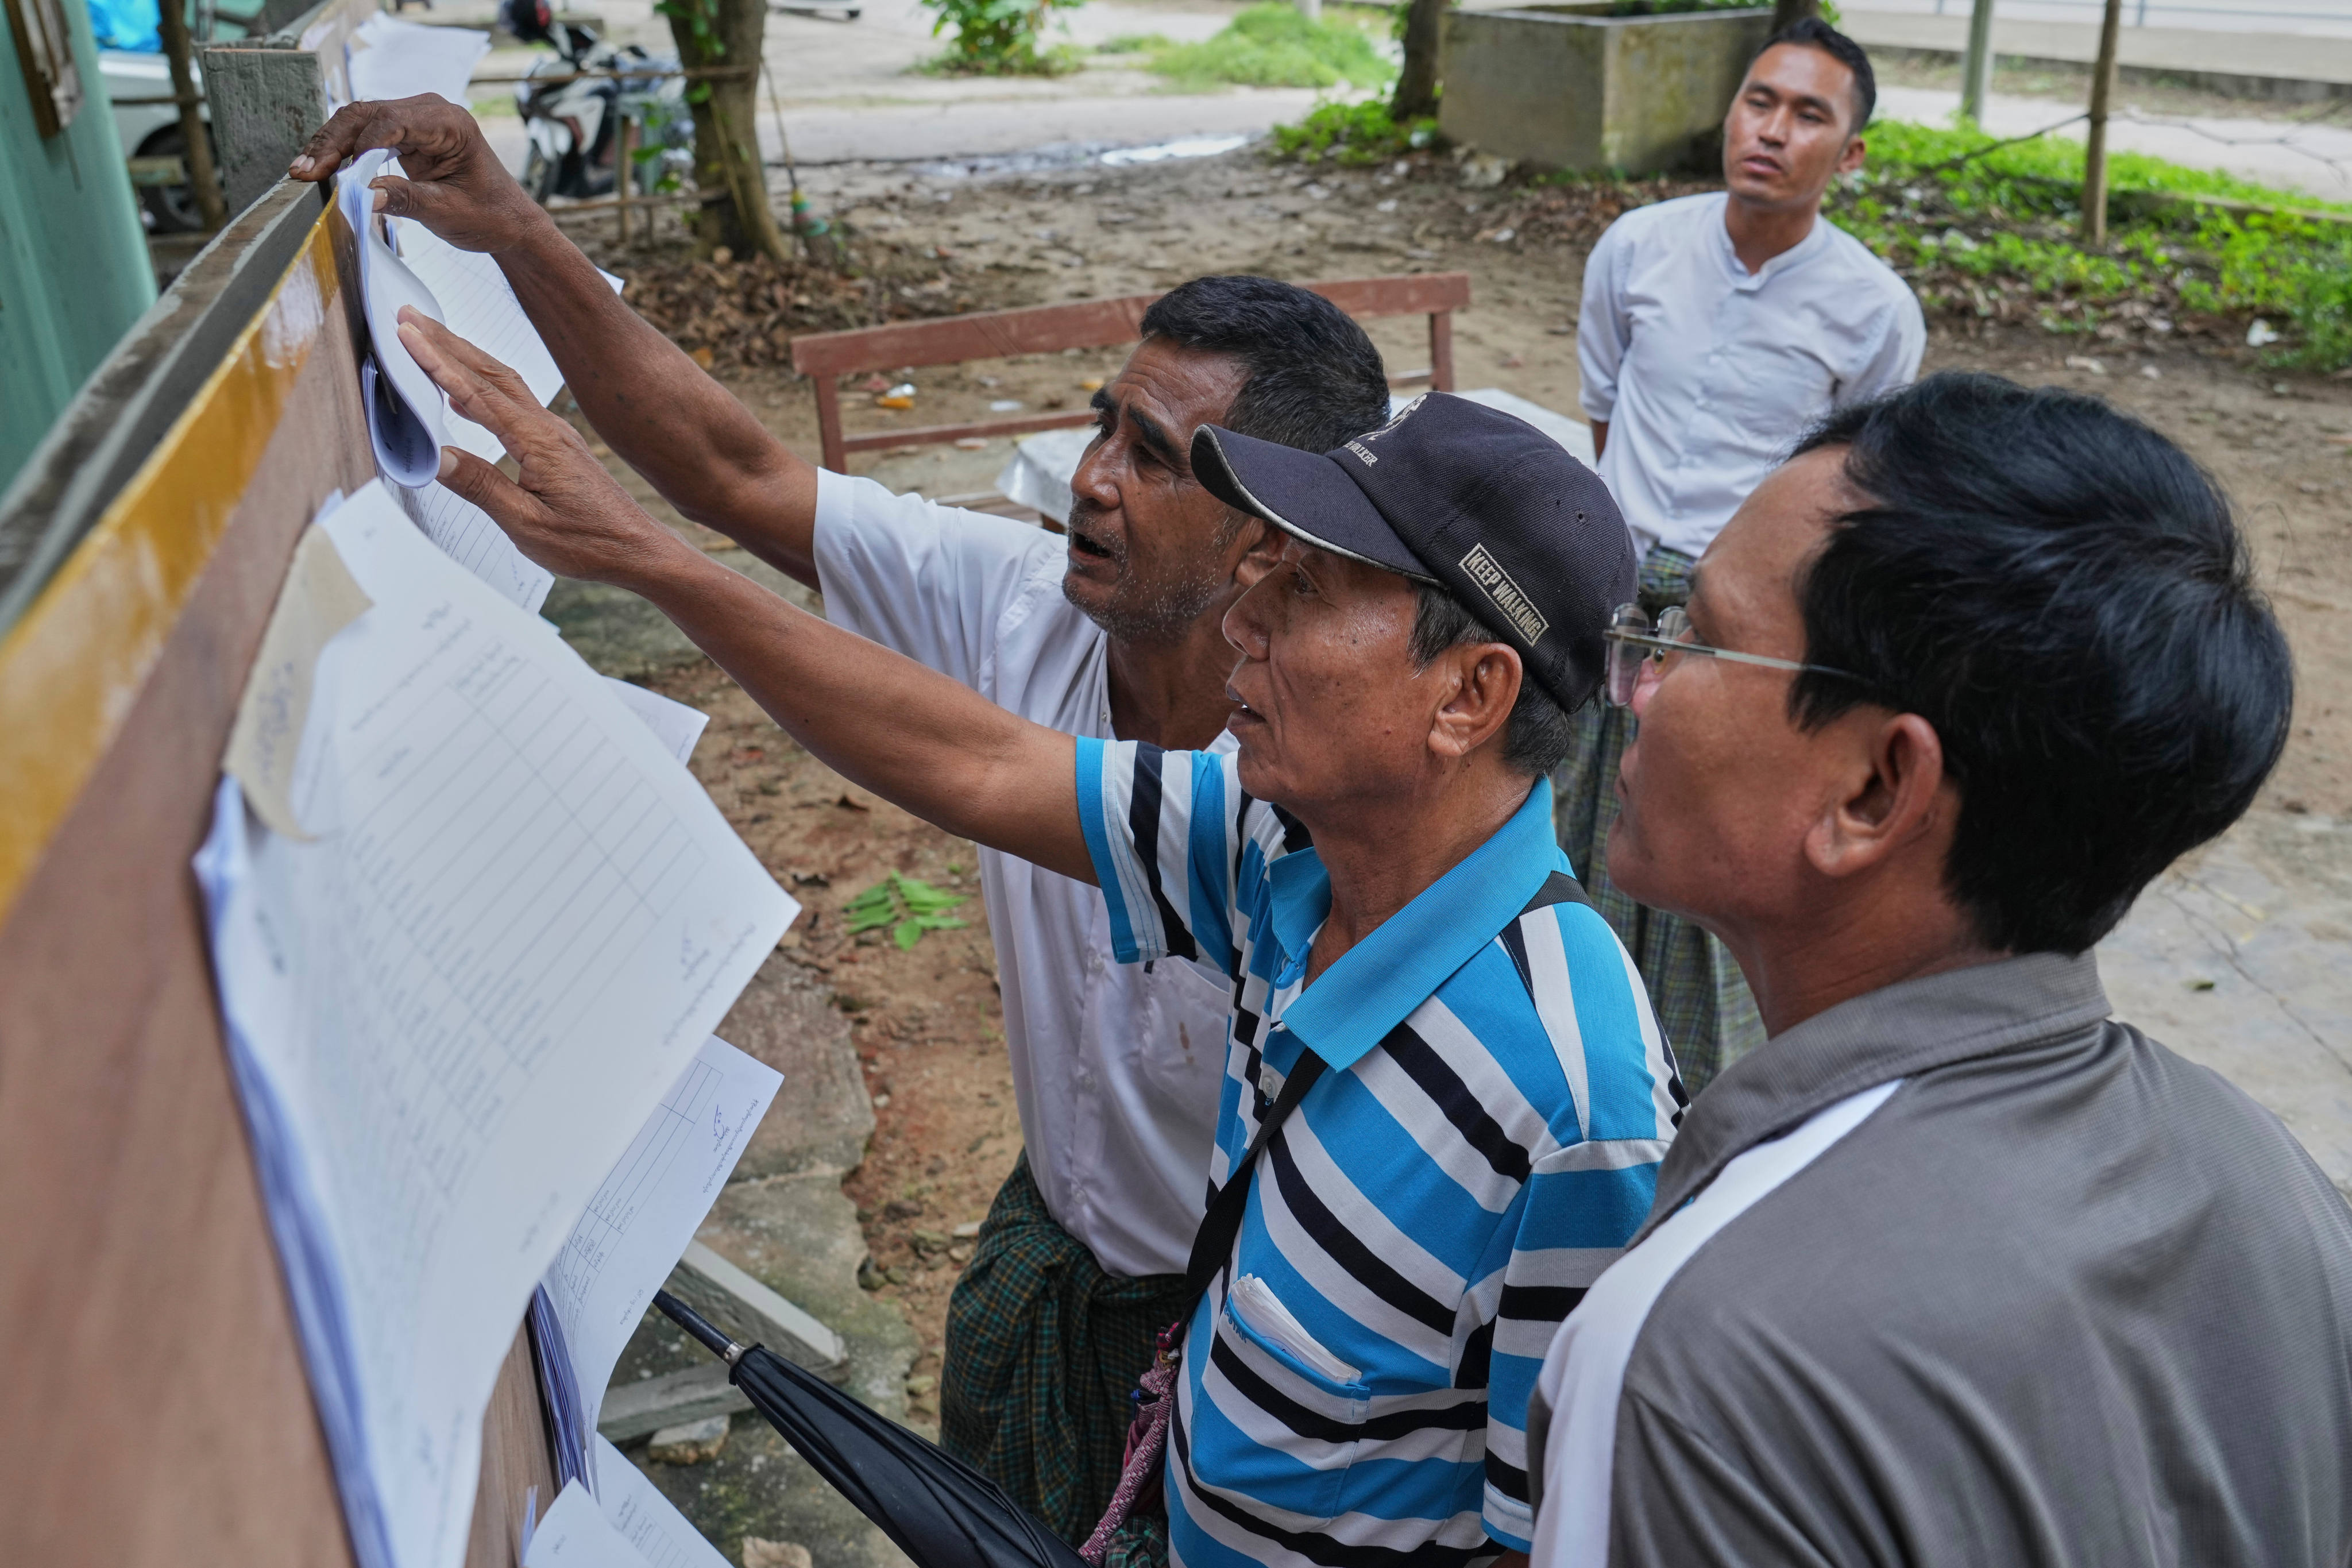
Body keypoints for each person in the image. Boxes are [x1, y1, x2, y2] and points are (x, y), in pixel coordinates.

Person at [391, 311, 1681, 1568]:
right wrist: (651, 559)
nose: (1243, 621)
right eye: (1262, 570)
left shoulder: (1572, 1104)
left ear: (1467, 694)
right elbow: (971, 760)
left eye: (1308, 590)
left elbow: (1557, 1530)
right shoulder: (1272, 845)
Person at [287, 101, 1401, 1541]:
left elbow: (980, 766)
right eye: (1099, 425)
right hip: (1053, 1260)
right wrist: (510, 223)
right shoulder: (1020, 603)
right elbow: (735, 470)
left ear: (1267, 534)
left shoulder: (1308, 784)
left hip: (1240, 1337)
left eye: (1154, 456)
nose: (1090, 481)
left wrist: (642, 560)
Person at [1525, 373, 2352, 1566]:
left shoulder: (1694, 1349)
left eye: (1693, 637)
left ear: (1871, 791)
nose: (1639, 686)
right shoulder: (2272, 1180)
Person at [1560, 17, 1925, 1095]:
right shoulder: (1638, 249)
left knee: (1705, 845)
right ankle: (1555, 1054)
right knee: (1569, 816)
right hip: (1609, 592)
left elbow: (1852, 496)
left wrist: (1733, 603)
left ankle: (1693, 1102)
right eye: (1758, 102)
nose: (1772, 131)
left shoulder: (1873, 313)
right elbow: (1605, 412)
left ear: (1849, 155)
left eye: (1809, 115)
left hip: (1745, 628)